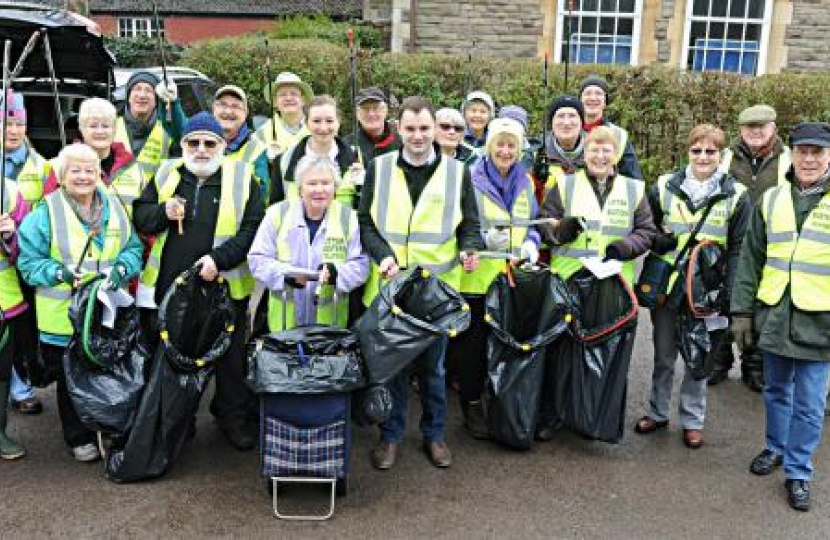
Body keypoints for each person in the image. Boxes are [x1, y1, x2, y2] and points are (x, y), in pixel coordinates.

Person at [358, 96, 484, 469]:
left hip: (435, 291)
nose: (417, 136)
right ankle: (391, 437)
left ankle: (435, 434)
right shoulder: (378, 168)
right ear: (399, 128)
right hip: (390, 288)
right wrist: (383, 255)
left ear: (435, 130)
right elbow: (364, 222)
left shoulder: (457, 171)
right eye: (410, 128)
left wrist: (470, 248)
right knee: (393, 369)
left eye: (424, 128)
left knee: (434, 371)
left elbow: (470, 226)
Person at [132, 112, 264, 451]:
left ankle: (230, 417)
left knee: (231, 361)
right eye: (194, 142)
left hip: (225, 285)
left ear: (222, 145)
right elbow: (142, 218)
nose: (201, 149)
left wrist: (219, 260)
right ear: (184, 144)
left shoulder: (243, 175)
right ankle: (181, 420)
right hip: (174, 290)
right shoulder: (166, 173)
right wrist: (163, 212)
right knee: (178, 358)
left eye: (210, 143)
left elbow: (253, 230)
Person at [17, 143, 143, 462]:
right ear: (61, 176)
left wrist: (123, 269)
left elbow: (133, 248)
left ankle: (107, 426)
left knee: (107, 371)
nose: (83, 176)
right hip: (63, 317)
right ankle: (78, 436)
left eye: (89, 170)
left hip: (106, 313)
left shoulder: (114, 207)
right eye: (75, 170)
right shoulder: (45, 212)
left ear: (99, 174)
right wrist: (58, 272)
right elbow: (29, 263)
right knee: (70, 379)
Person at [731, 122, 830, 512]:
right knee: (774, 390)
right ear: (791, 154)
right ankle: (774, 447)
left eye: (817, 152)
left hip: (819, 322)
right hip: (774, 313)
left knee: (810, 402)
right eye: (802, 151)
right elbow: (749, 259)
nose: (808, 159)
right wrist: (740, 311)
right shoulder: (771, 199)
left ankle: (798, 471)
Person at [536, 126, 656, 440]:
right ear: (584, 153)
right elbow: (545, 228)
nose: (600, 156)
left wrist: (624, 247)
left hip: (613, 283)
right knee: (562, 351)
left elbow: (647, 232)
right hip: (569, 280)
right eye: (594, 149)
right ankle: (553, 416)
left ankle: (592, 419)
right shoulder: (564, 185)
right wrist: (562, 229)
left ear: (616, 155)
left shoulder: (634, 189)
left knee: (604, 353)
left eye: (607, 150)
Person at [635, 124, 750, 449]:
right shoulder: (663, 187)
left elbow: (741, 247)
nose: (703, 157)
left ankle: (692, 421)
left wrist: (730, 292)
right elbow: (644, 227)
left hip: (709, 293)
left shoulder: (737, 195)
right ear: (688, 152)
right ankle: (657, 413)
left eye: (710, 151)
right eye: (696, 150)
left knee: (699, 360)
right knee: (663, 356)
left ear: (722, 155)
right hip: (670, 287)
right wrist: (659, 238)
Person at [455, 117, 540, 439]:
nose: (505, 151)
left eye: (511, 145)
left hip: (512, 278)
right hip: (476, 279)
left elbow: (532, 223)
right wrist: (480, 240)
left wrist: (531, 245)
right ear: (489, 146)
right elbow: (459, 223)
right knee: (472, 349)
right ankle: (472, 404)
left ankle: (498, 401)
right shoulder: (469, 178)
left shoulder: (526, 182)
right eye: (500, 144)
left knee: (505, 345)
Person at [708, 104, 792, 391]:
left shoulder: (789, 160)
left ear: (774, 129)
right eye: (749, 127)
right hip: (727, 241)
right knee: (721, 299)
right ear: (741, 130)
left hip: (770, 243)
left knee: (760, 302)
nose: (756, 132)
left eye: (762, 127)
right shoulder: (726, 157)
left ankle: (753, 365)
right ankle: (718, 361)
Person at [248, 155, 368, 331]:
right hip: (283, 325)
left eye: (326, 183)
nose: (319, 189)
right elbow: (257, 260)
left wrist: (337, 274)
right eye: (312, 183)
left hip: (330, 327)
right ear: (299, 188)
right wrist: (285, 274)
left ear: (335, 187)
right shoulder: (277, 213)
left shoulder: (348, 218)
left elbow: (361, 265)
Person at [1, 90, 47, 416]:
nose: (13, 130)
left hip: (27, 258)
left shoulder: (42, 167)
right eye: (6, 123)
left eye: (18, 123)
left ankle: (22, 386)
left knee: (23, 330)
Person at [43, 98, 146, 214]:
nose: (100, 131)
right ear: (81, 129)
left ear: (115, 129)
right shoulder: (60, 165)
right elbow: (48, 213)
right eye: (93, 126)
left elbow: (143, 218)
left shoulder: (134, 168)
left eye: (106, 126)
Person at [269, 95, 358, 207]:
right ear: (306, 123)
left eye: (329, 121)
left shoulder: (357, 158)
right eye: (316, 121)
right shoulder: (284, 160)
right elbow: (275, 207)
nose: (323, 127)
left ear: (338, 122)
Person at [0, 172, 32, 460]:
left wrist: (12, 235)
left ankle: (0, 433)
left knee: (1, 371)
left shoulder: (9, 191)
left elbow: (26, 248)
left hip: (4, 300)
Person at [114, 71, 186, 180]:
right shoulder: (111, 127)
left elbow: (184, 135)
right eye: (137, 89)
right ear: (128, 97)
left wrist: (174, 102)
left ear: (156, 100)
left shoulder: (167, 128)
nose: (142, 95)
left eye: (148, 90)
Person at [578, 74, 642, 180]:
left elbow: (632, 178)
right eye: (587, 93)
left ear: (605, 102)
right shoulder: (568, 132)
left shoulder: (618, 135)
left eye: (598, 93)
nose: (593, 98)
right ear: (580, 100)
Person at [212, 85, 269, 198]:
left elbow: (261, 195)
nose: (228, 111)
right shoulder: (199, 140)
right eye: (223, 105)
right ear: (213, 108)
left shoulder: (257, 149)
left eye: (236, 106)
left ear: (245, 113)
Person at [537, 95, 586, 204]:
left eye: (572, 116)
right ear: (552, 122)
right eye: (560, 116)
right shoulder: (536, 154)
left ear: (582, 122)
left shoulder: (597, 153)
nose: (566, 123)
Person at [255, 71, 313, 157]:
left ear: (303, 100)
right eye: (282, 95)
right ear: (274, 102)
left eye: (294, 94)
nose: (288, 98)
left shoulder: (318, 127)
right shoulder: (262, 133)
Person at [344, 87, 401, 169]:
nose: (371, 114)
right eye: (365, 109)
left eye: (376, 108)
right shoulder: (347, 146)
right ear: (357, 114)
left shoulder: (401, 140)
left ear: (385, 111)